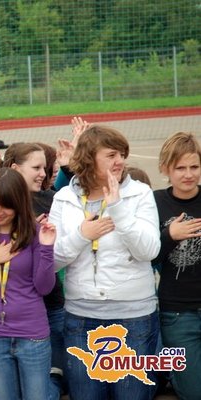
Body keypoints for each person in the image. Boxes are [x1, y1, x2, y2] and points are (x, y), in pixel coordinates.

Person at [49, 125, 160, 400]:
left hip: (134, 318)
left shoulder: (140, 193)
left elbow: (149, 250)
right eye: (111, 155)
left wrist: (118, 208)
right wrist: (81, 236)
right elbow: (50, 262)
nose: (119, 161)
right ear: (89, 159)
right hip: (81, 318)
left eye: (122, 154)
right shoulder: (64, 198)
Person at [0, 167, 56, 400]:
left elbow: (44, 287)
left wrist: (47, 248)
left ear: (19, 204)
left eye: (6, 206)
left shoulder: (36, 233)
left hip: (32, 335)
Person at [3, 142, 66, 399]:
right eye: (36, 168)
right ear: (15, 169)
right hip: (17, 313)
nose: (43, 174)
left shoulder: (51, 200)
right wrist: (27, 236)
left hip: (52, 304)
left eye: (45, 168)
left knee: (53, 381)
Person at [153, 131, 201, 399]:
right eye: (180, 168)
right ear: (165, 169)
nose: (189, 174)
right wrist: (170, 235)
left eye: (194, 167)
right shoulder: (154, 202)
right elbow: (147, 257)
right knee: (193, 392)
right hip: (178, 313)